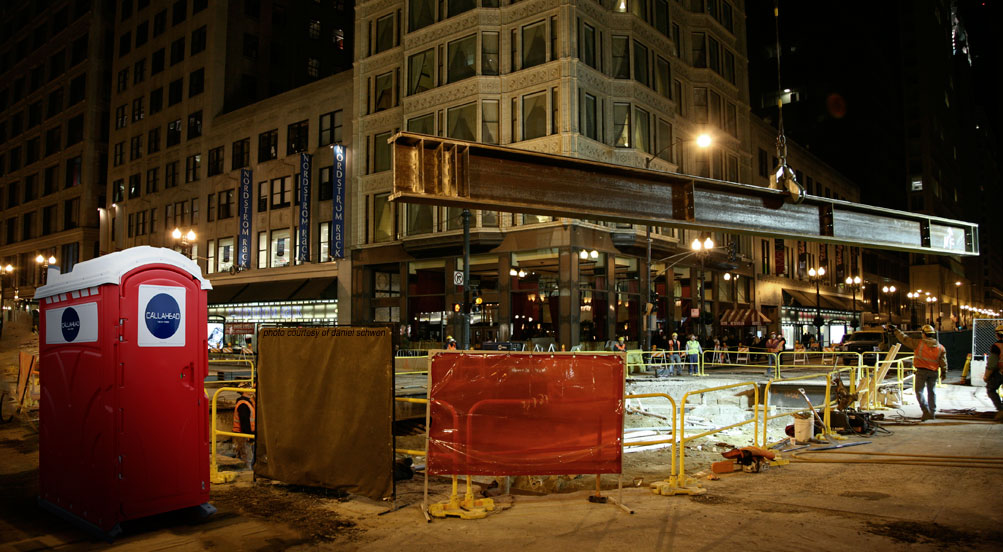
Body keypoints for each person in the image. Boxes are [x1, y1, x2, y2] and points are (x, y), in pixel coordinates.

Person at [890, 324, 947, 421]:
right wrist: (944, 372)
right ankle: (932, 413)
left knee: (919, 392)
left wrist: (895, 330)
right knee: (932, 392)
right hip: (933, 372)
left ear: (923, 334)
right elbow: (943, 361)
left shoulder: (918, 344)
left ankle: (925, 411)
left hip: (921, 372)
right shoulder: (941, 347)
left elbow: (904, 339)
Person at [982, 324, 1003, 421]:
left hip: (1000, 373)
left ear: (998, 335)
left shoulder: (996, 347)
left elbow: (992, 364)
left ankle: (1001, 410)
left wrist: (987, 376)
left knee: (991, 389)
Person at [232, 385, 256, 469]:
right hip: (243, 435)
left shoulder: (249, 401)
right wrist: (249, 436)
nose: (251, 389)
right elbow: (244, 423)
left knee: (249, 457)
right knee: (247, 458)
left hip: (246, 434)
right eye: (248, 387)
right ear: (243, 391)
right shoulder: (243, 405)